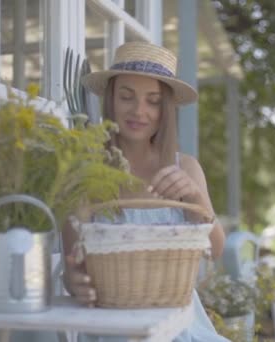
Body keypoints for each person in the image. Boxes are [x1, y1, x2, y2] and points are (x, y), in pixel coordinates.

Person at [62, 41, 228, 341]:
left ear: (165, 109)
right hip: (112, 331)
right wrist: (75, 283)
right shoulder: (85, 174)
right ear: (110, 99)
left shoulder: (186, 167)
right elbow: (73, 264)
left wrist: (197, 199)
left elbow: (216, 251)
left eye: (153, 101)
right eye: (127, 96)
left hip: (180, 329)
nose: (139, 111)